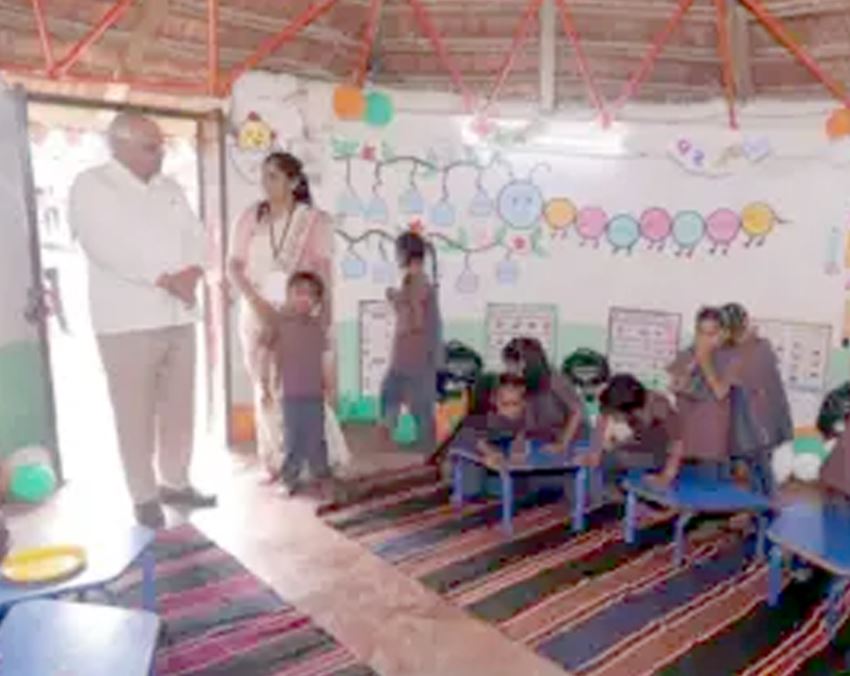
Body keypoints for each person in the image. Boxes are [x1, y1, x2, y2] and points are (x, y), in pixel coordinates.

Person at [69, 113, 215, 528]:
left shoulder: (169, 188)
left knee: (179, 410)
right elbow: (103, 246)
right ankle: (144, 496)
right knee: (134, 414)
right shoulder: (93, 185)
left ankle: (176, 482)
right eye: (151, 147)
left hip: (178, 314)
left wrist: (194, 271)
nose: (160, 153)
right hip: (127, 322)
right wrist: (165, 278)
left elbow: (198, 236)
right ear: (119, 145)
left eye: (161, 145)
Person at [229, 152, 348, 480]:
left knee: (302, 385)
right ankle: (276, 460)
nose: (265, 183)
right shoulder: (250, 217)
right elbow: (234, 266)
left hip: (300, 316)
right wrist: (258, 304)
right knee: (266, 385)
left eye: (274, 176)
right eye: (263, 175)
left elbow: (323, 273)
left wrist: (324, 318)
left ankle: (318, 458)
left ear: (294, 182)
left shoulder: (314, 221)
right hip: (257, 311)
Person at [698, 303, 793, 496]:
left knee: (759, 470)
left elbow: (719, 391)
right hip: (766, 424)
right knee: (760, 469)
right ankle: (763, 503)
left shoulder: (736, 355)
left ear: (727, 330)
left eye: (718, 330)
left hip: (753, 426)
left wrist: (704, 358)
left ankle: (765, 505)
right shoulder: (762, 346)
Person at [264, 271, 335, 497]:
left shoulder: (317, 327)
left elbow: (325, 359)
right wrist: (268, 385)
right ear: (289, 295)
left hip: (314, 394)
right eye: (299, 292)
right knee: (292, 440)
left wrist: (330, 386)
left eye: (311, 295)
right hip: (290, 395)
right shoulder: (280, 324)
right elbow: (269, 356)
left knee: (317, 439)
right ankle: (289, 478)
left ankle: (321, 475)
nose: (304, 298)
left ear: (317, 301)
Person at [380, 231, 441, 452]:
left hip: (414, 351)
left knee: (405, 396)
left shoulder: (416, 280)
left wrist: (395, 298)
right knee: (404, 396)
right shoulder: (419, 280)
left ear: (404, 254)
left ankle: (422, 445)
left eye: (397, 253)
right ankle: (418, 442)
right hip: (417, 351)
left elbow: (414, 319)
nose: (396, 257)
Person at [582, 374, 686, 488]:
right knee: (604, 457)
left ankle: (613, 491)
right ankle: (610, 490)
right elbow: (603, 418)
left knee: (614, 459)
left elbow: (678, 442)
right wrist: (594, 452)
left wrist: (666, 476)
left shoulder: (659, 406)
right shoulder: (618, 400)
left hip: (660, 456)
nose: (613, 417)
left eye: (615, 413)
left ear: (631, 409)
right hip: (640, 445)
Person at [666, 307, 734, 471]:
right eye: (701, 333)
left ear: (722, 333)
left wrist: (704, 360)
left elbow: (720, 392)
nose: (705, 339)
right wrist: (689, 369)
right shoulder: (687, 353)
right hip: (685, 439)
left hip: (714, 444)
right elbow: (673, 386)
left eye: (711, 334)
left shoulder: (730, 358)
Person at [501, 337, 585, 452]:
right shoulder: (519, 381)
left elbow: (576, 411)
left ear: (527, 362)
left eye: (512, 364)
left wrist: (562, 444)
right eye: (507, 364)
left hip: (568, 439)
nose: (509, 368)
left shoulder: (554, 379)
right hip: (540, 439)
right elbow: (523, 416)